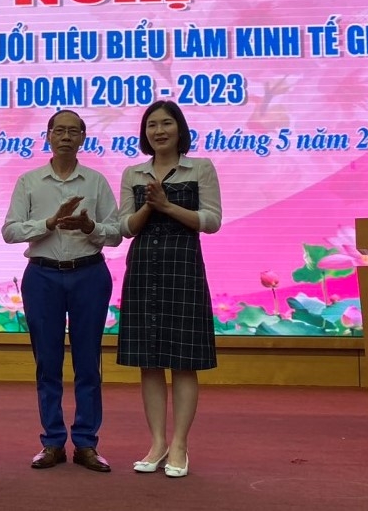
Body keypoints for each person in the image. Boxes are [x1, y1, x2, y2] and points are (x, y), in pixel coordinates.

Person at [2, 110, 121, 473]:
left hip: (89, 275)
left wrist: (90, 227)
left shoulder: (96, 181)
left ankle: (86, 443)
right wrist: (50, 223)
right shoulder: (30, 181)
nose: (66, 137)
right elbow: (10, 231)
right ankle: (52, 441)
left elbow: (116, 233)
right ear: (48, 136)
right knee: (47, 362)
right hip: (43, 276)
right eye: (59, 131)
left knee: (88, 363)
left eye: (73, 131)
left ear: (83, 138)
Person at [116, 100, 222, 478]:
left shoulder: (200, 168)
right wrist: (149, 207)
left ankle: (179, 444)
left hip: (184, 267)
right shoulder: (133, 173)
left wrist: (168, 206)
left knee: (183, 361)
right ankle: (157, 442)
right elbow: (125, 227)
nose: (159, 131)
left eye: (166, 124)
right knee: (149, 361)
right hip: (143, 267)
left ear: (180, 129)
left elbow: (212, 220)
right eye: (151, 125)